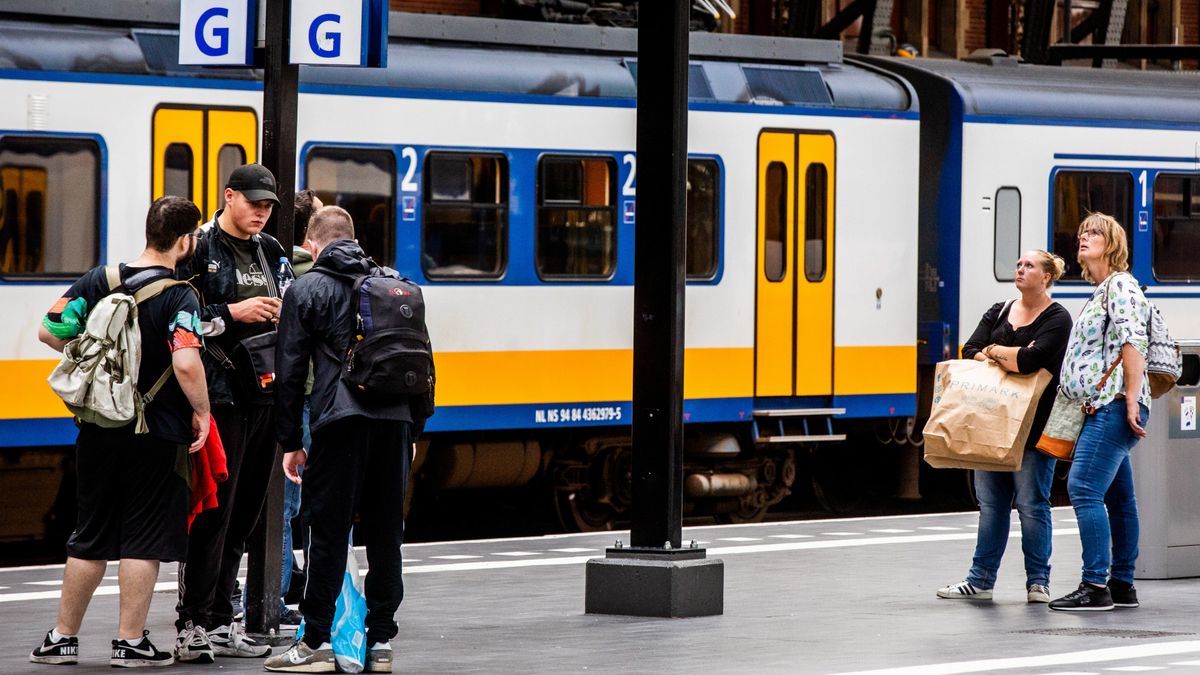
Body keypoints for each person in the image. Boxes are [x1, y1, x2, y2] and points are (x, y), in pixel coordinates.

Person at [30, 196, 209, 668]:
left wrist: (95, 361)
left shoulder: (102, 279)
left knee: (89, 534)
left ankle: (61, 639)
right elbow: (187, 361)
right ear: (186, 239)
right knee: (143, 538)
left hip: (97, 427)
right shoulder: (180, 294)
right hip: (156, 430)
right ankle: (130, 642)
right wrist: (204, 413)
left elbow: (49, 331)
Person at [265, 206, 418, 673]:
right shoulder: (395, 284)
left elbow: (290, 373)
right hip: (395, 424)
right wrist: (414, 428)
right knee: (386, 535)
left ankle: (313, 642)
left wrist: (290, 439)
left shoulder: (306, 288)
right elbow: (423, 363)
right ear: (353, 238)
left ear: (313, 244)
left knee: (328, 535)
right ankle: (382, 644)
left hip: (339, 424)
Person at [173, 163, 288, 661]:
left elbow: (291, 300)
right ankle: (191, 622)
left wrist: (285, 310)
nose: (261, 213)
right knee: (212, 513)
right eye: (254, 203)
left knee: (244, 515)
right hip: (218, 396)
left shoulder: (272, 251)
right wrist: (231, 315)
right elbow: (177, 321)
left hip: (263, 393)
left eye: (268, 206)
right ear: (229, 197)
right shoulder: (199, 249)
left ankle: (222, 619)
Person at [936, 250, 1073, 603]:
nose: (1020, 270)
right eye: (1019, 265)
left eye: (1029, 266)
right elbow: (970, 349)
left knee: (1032, 503)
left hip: (1033, 427)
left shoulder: (1058, 318)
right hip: (992, 423)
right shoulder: (999, 309)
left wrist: (994, 352)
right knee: (992, 505)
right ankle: (980, 580)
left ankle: (1038, 582)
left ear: (1046, 277)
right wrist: (1005, 354)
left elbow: (1031, 360)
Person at [1049, 213, 1152, 612]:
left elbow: (1132, 339)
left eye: (1093, 233)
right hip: (1105, 405)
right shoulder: (1103, 289)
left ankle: (1095, 585)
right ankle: (1122, 584)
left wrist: (1129, 397)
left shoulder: (1121, 285)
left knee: (1083, 488)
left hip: (1111, 405)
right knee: (1118, 496)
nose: (1083, 238)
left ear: (1112, 244)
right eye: (1080, 233)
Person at [276, 188, 323, 627]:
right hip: (309, 399)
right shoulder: (309, 268)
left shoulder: (264, 265)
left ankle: (275, 587)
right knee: (291, 503)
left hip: (267, 395)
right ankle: (279, 597)